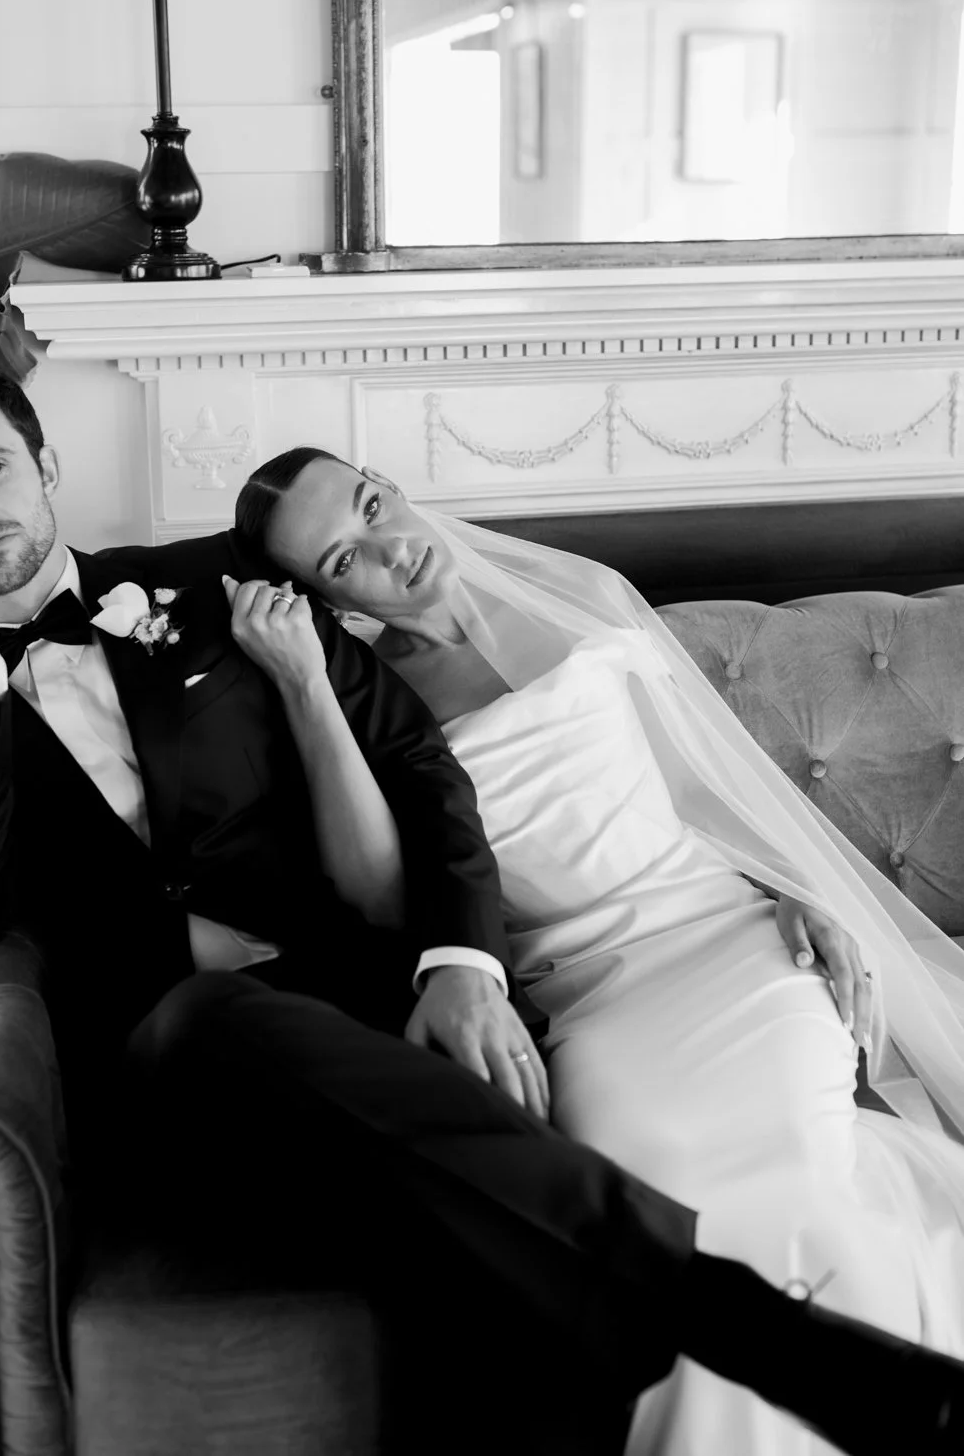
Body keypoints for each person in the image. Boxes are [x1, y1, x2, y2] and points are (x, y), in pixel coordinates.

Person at [0, 359, 964, 1456]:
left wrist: (462, 962)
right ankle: (759, 1331)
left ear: (45, 467)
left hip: (374, 1005)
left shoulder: (210, 583)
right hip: (175, 1052)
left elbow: (420, 764)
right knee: (211, 1018)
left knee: (490, 1223)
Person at [233, 444, 964, 1456]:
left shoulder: (576, 599)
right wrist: (306, 686)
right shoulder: (371, 697)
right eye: (342, 560)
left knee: (793, 1176)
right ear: (327, 600)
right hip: (589, 997)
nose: (388, 549)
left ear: (392, 485)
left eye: (370, 506)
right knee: (657, 1202)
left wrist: (795, 891)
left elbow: (705, 787)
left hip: (730, 944)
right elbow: (382, 894)